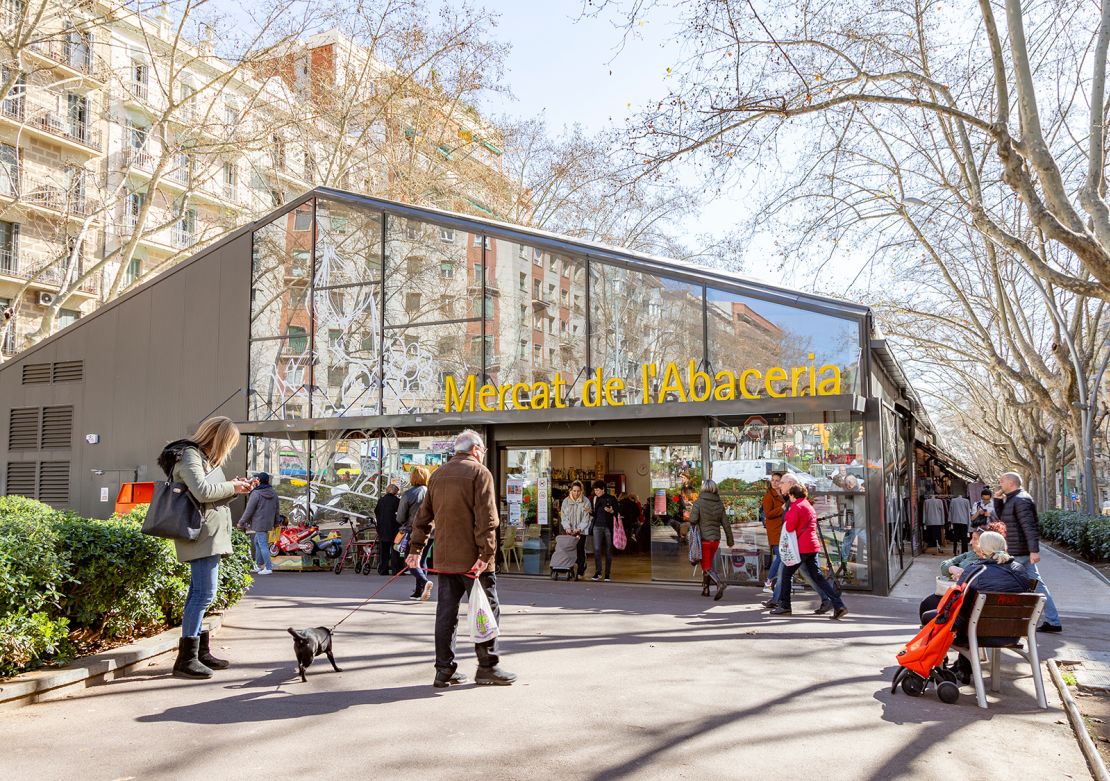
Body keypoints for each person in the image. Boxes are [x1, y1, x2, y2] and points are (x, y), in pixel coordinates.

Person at [406, 429, 515, 687]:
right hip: (474, 560)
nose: (484, 455)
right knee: (487, 609)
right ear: (476, 449)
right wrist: (487, 553)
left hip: (445, 558)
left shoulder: (438, 475)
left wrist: (415, 549)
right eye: (484, 451)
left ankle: (444, 669)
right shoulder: (480, 473)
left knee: (446, 613)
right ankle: (487, 667)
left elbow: (422, 518)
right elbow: (487, 519)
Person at [159, 416, 253, 679]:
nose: (228, 448)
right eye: (228, 442)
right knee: (203, 594)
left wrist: (235, 489)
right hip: (201, 535)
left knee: (200, 593)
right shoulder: (189, 455)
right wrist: (232, 486)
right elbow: (201, 491)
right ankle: (186, 659)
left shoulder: (201, 457)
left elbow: (210, 492)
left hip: (209, 535)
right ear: (219, 438)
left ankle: (200, 653)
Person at [994, 472, 1062, 633]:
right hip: (1019, 551)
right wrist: (997, 500)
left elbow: (1029, 526)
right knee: (1038, 586)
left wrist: (1034, 551)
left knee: (1003, 583)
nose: (1000, 483)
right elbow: (1004, 518)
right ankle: (1053, 621)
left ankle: (1002, 620)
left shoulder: (1021, 499)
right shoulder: (1013, 498)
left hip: (1019, 552)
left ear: (1011, 483)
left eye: (1002, 481)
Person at [769, 483, 848, 619]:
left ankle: (785, 606)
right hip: (812, 546)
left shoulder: (796, 507)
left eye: (790, 496)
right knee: (817, 577)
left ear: (793, 495)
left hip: (801, 547)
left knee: (786, 575)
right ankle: (838, 605)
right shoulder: (808, 505)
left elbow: (790, 527)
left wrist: (787, 515)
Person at [917, 519, 1006, 624]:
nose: (971, 542)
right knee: (928, 604)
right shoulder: (1016, 569)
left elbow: (964, 595)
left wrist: (962, 578)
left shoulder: (978, 568)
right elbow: (945, 565)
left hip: (973, 618)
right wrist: (953, 569)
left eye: (975, 539)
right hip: (997, 621)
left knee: (928, 612)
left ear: (986, 545)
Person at [691, 479, 734, 600]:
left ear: (703, 488)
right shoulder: (719, 503)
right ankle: (706, 589)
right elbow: (726, 524)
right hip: (715, 540)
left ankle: (719, 583)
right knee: (708, 564)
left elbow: (693, 520)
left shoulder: (699, 502)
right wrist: (730, 541)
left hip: (703, 539)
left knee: (706, 565)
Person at [397, 466, 432, 601]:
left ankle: (424, 582)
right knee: (422, 560)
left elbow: (400, 517)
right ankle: (419, 591)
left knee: (410, 560)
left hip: (414, 532)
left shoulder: (408, 494)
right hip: (431, 532)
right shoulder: (431, 492)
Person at [237, 471, 279, 575]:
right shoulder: (273, 493)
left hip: (259, 523)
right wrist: (276, 522)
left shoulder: (256, 493)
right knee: (257, 542)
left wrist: (241, 522)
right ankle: (259, 565)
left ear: (259, 481)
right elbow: (277, 509)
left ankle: (268, 567)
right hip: (268, 522)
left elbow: (249, 510)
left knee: (263, 544)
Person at [560, 480, 592, 577]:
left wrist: (579, 529)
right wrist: (567, 528)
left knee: (579, 549)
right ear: (571, 490)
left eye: (578, 491)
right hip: (569, 531)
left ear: (581, 491)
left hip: (581, 531)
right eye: (574, 490)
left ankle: (581, 569)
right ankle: (570, 569)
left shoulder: (586, 501)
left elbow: (586, 518)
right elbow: (564, 516)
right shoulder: (566, 501)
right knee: (569, 550)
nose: (576, 493)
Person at [590, 480, 620, 581]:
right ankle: (598, 572)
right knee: (597, 549)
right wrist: (590, 512)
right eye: (595, 490)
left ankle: (607, 573)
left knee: (608, 550)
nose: (596, 492)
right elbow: (595, 513)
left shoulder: (612, 498)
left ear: (603, 489)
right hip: (597, 526)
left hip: (609, 527)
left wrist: (611, 510)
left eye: (598, 490)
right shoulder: (595, 499)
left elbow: (617, 512)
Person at [761, 472, 785, 593]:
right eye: (773, 480)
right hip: (775, 531)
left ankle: (779, 584)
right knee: (781, 557)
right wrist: (781, 509)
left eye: (777, 480)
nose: (774, 482)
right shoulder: (769, 496)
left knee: (783, 557)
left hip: (784, 530)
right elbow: (768, 514)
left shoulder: (783, 494)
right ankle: (769, 582)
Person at [375, 483, 401, 575]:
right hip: (394, 528)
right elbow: (400, 515)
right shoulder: (397, 501)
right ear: (395, 492)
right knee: (395, 550)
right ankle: (396, 570)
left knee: (384, 551)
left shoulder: (381, 500)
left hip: (382, 528)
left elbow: (376, 512)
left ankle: (383, 569)